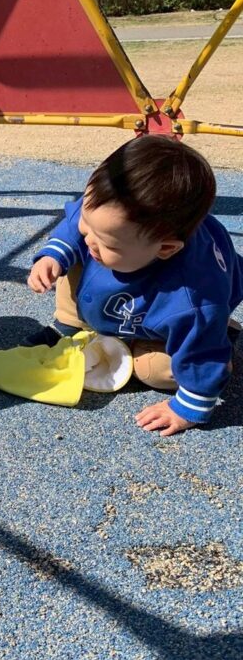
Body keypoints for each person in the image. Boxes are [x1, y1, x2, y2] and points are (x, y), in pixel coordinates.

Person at [26, 134, 243, 436]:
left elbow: (199, 356)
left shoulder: (192, 300)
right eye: (88, 225)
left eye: (106, 240)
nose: (90, 238)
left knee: (153, 371)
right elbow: (82, 219)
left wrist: (188, 408)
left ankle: (224, 338)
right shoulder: (107, 218)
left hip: (170, 311)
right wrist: (53, 255)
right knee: (70, 259)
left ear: (165, 249)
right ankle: (69, 326)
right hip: (128, 274)